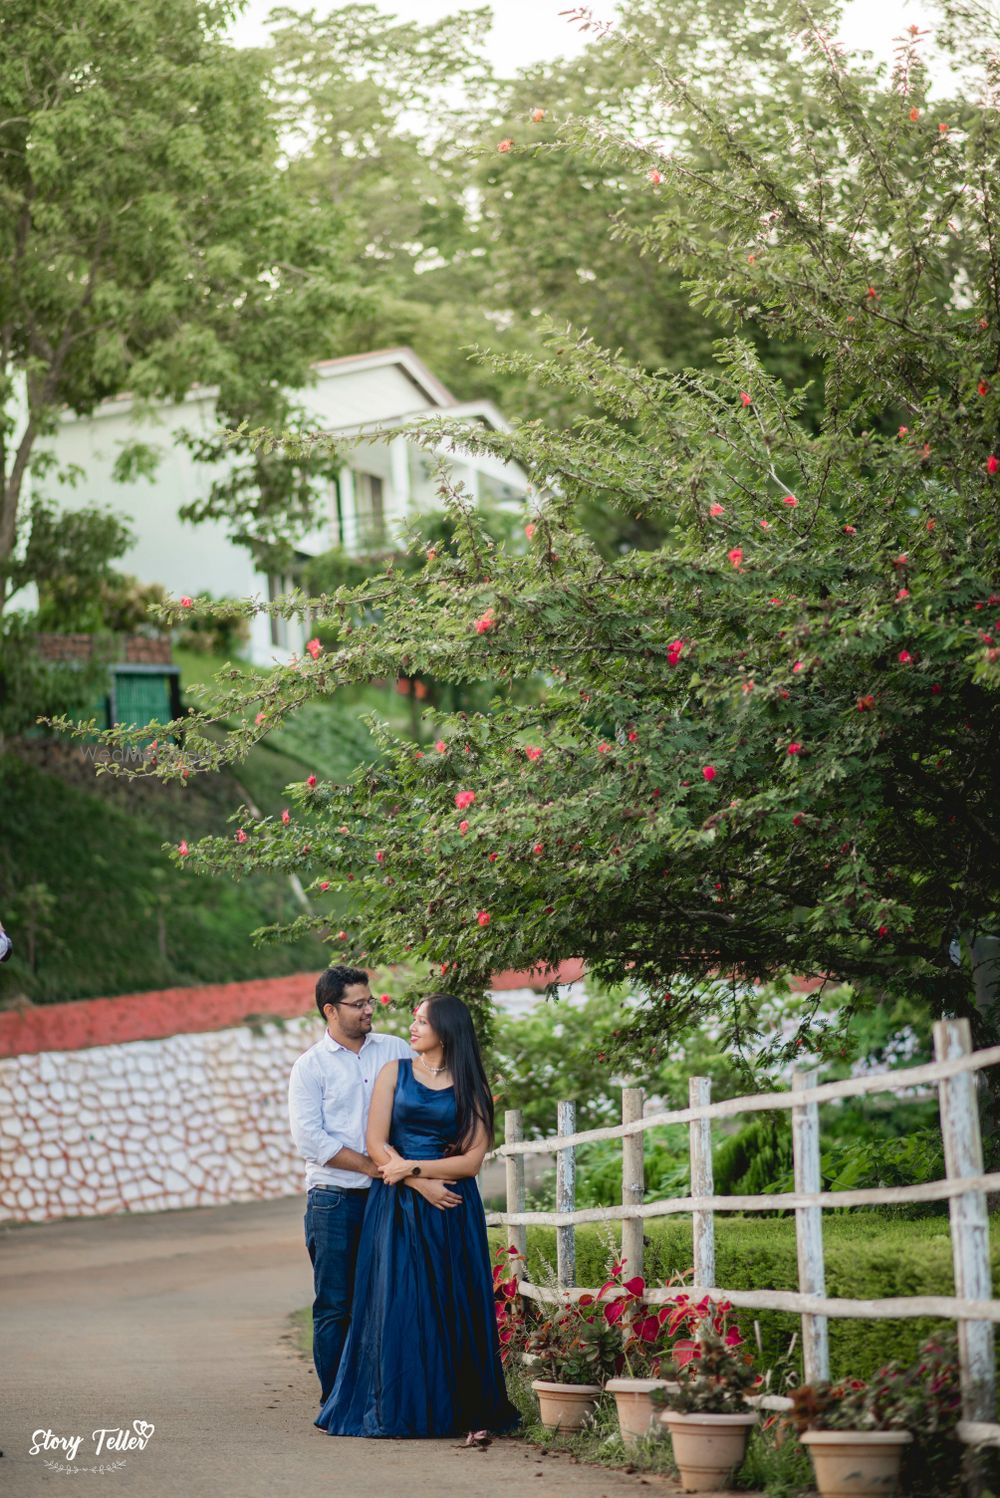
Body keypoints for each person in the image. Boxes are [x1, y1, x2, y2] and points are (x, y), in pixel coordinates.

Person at [315, 992, 520, 1441]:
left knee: (451, 1302)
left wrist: (415, 1167)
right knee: (403, 1304)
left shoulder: (473, 1086)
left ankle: (455, 1409)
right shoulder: (395, 1072)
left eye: (422, 1021)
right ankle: (402, 1407)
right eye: (414, 1019)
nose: (413, 1026)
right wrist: (414, 1179)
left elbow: (471, 1162)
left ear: (446, 1031)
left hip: (452, 1207)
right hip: (398, 1205)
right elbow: (375, 1143)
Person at [288, 967, 461, 1404]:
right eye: (358, 1004)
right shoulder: (310, 1067)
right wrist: (377, 1167)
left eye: (370, 1001)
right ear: (331, 1010)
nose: (370, 1009)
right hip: (335, 1199)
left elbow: (416, 1113)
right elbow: (312, 1139)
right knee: (336, 1304)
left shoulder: (396, 1050)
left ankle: (386, 1396)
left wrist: (414, 1174)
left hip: (396, 1196)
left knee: (392, 1299)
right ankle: (337, 1402)